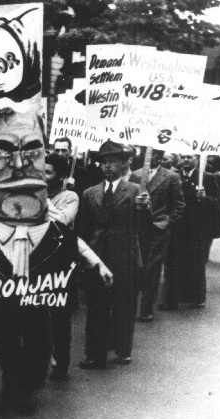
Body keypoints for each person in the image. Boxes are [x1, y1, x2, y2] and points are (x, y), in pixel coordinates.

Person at [0, 109, 113, 412]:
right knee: (5, 339)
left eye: (32, 152)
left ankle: (30, 380)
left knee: (39, 340)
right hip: (0, 286)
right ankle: (11, 380)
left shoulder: (45, 208)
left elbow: (70, 239)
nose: (18, 165)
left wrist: (97, 263)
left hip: (37, 287)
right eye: (3, 151)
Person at [79, 140, 145, 369]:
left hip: (124, 254)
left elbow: (143, 227)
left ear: (124, 164)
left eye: (112, 162)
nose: (107, 166)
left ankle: (123, 348)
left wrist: (144, 208)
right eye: (104, 162)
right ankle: (94, 353)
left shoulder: (136, 191)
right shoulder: (89, 193)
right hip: (98, 254)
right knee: (96, 305)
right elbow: (84, 229)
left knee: (123, 304)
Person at [129, 149, 185, 321]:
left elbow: (179, 204)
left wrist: (168, 221)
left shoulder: (171, 177)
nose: (150, 158)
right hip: (138, 227)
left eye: (154, 155)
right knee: (137, 267)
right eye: (147, 155)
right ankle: (131, 307)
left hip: (158, 228)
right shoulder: (136, 175)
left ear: (160, 158)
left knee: (152, 269)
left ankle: (146, 309)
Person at [163, 154, 220, 309]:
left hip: (198, 227)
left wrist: (205, 197)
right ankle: (180, 294)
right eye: (183, 157)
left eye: (189, 157)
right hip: (179, 226)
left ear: (197, 159)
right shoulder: (174, 177)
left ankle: (197, 296)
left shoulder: (207, 177)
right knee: (176, 260)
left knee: (196, 262)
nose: (186, 160)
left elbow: (217, 202)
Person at [44, 153, 79, 381]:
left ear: (61, 177)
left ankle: (61, 363)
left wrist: (40, 199)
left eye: (48, 172)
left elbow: (62, 221)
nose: (43, 177)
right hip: (38, 263)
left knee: (59, 316)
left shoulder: (70, 197)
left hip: (60, 265)